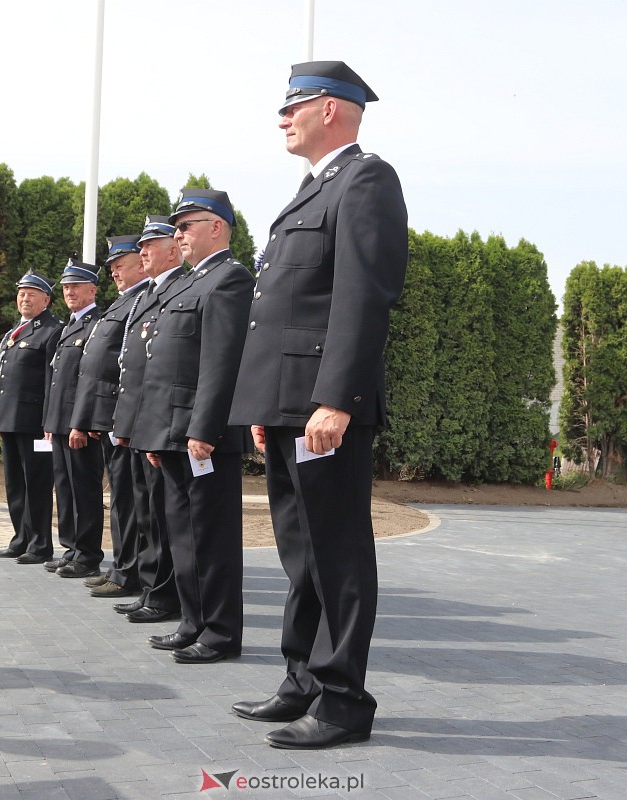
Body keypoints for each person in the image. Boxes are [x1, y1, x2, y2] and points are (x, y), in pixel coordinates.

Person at [228, 61, 409, 749]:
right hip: (285, 406)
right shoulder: (312, 191)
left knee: (336, 553)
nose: (282, 118)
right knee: (300, 553)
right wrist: (262, 403)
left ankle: (342, 701)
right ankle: (302, 679)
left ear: (331, 109)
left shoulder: (364, 180)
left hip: (320, 409)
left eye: (292, 106)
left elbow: (363, 297)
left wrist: (335, 399)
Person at [129, 190, 254, 664]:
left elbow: (220, 364)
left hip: (204, 438)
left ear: (217, 226)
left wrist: (204, 430)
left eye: (187, 225)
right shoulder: (185, 284)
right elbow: (165, 369)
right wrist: (155, 437)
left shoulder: (229, 280)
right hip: (172, 436)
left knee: (212, 537)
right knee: (182, 534)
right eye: (177, 227)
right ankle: (193, 621)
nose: (178, 234)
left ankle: (220, 632)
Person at [110, 217, 187, 624]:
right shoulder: (148, 295)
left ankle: (164, 594)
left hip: (161, 422)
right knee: (146, 511)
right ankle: (151, 588)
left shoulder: (180, 287)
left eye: (150, 245)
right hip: (141, 421)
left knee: (161, 513)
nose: (142, 252)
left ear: (172, 250)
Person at [71, 236, 150, 598]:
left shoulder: (141, 302)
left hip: (126, 415)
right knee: (120, 498)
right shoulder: (124, 303)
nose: (116, 272)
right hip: (111, 415)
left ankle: (128, 571)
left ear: (141, 262)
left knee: (129, 500)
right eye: (113, 267)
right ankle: (122, 567)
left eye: (122, 265)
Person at [0, 271, 64, 564]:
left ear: (46, 299)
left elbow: (51, 381)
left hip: (35, 423)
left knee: (36, 482)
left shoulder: (52, 330)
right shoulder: (13, 333)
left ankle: (40, 544)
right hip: (11, 421)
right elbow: (5, 380)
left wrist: (49, 422)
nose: (25, 298)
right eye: (22, 293)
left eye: (32, 294)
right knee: (15, 483)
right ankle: (20, 538)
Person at [42, 259, 104, 579]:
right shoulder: (68, 326)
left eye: (76, 286)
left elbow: (90, 380)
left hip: (78, 425)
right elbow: (57, 380)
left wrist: (82, 423)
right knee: (65, 489)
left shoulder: (96, 324)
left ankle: (89, 554)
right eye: (66, 287)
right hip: (61, 424)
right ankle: (72, 548)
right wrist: (51, 423)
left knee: (84, 489)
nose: (69, 292)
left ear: (92, 289)